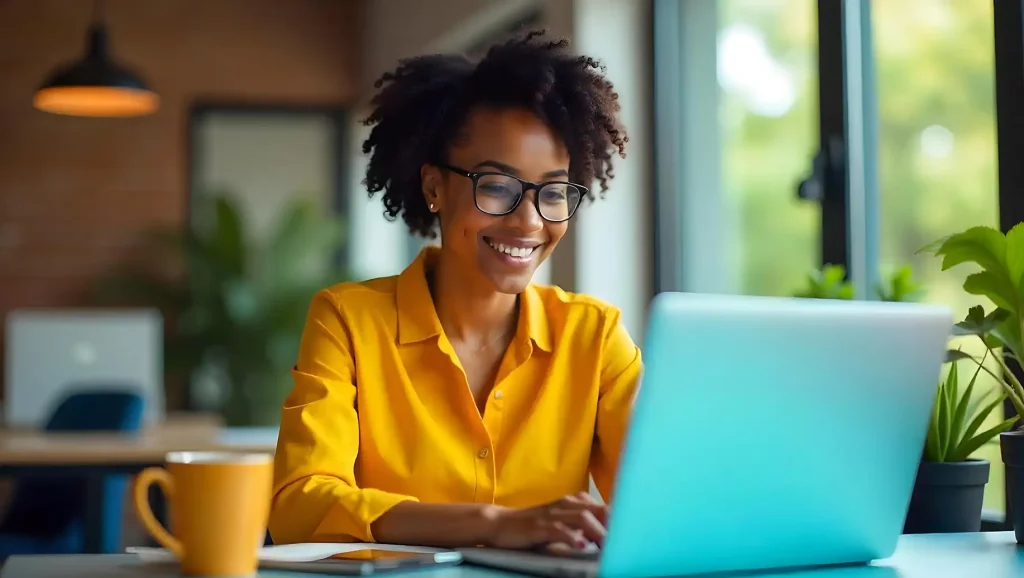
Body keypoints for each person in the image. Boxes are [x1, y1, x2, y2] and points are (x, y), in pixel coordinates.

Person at [268, 30, 642, 551]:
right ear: (434, 188)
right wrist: (492, 525)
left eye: (553, 193)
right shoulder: (348, 322)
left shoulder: (595, 337)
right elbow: (300, 505)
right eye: (497, 186)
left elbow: (661, 503)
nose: (529, 221)